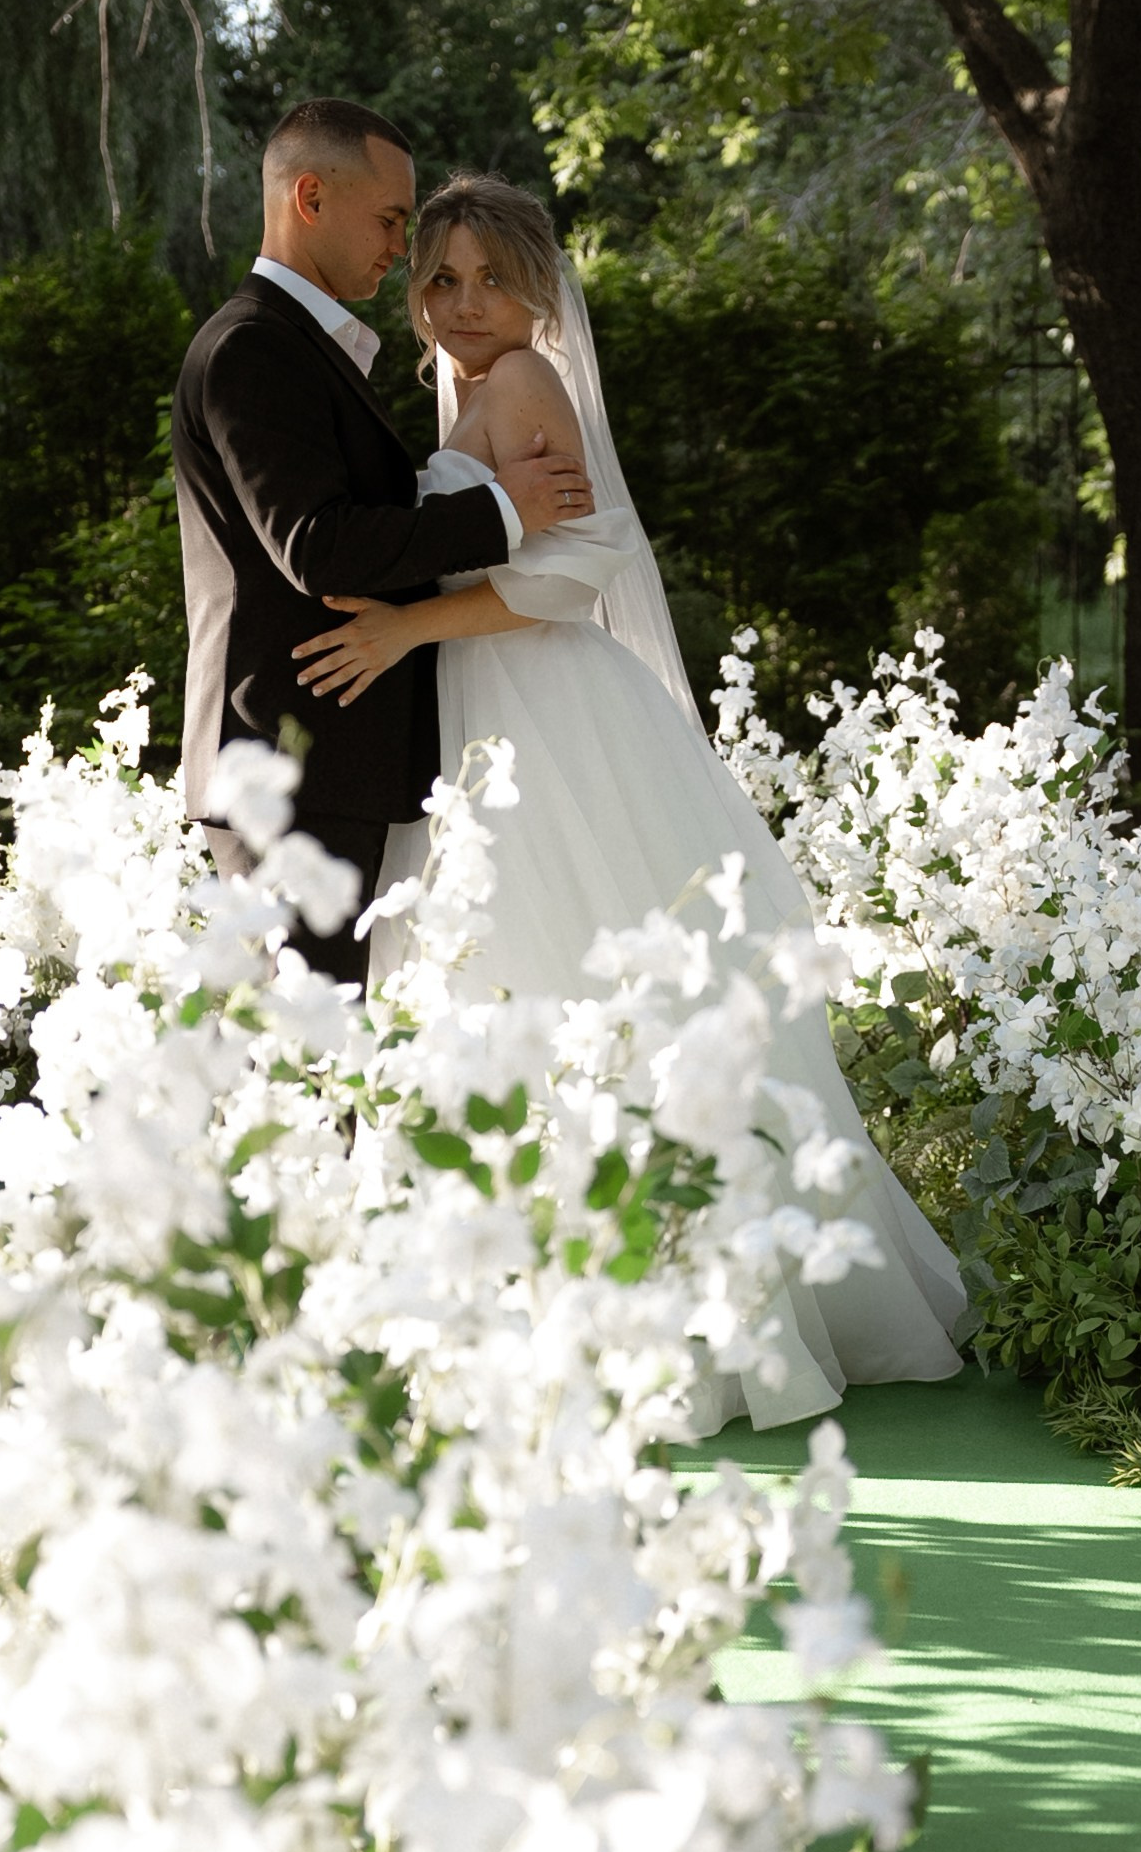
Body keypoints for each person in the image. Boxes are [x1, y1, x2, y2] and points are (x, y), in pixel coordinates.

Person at [291, 172, 967, 1427]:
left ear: (543, 288)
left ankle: (654, 1315)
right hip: (487, 708)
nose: (463, 301)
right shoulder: (470, 389)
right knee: (517, 990)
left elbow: (580, 567)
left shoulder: (527, 382)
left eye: (493, 277)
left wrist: (404, 631)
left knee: (568, 981)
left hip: (544, 709)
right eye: (440, 277)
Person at [172, 98, 596, 985]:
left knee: (323, 1072)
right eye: (393, 219)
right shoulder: (255, 346)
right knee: (300, 1074)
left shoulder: (305, 348)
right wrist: (505, 509)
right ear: (312, 197)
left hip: (333, 771)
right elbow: (317, 547)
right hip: (290, 770)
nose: (404, 248)